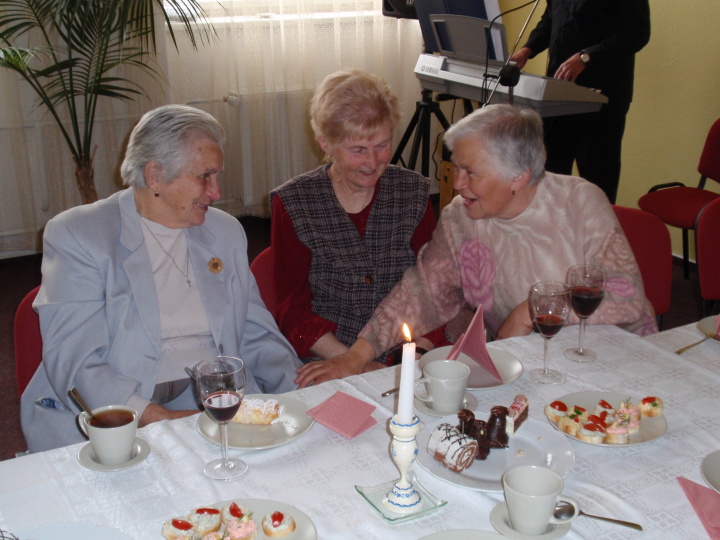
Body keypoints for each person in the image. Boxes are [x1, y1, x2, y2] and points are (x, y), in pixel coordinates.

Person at [299, 104, 657, 387]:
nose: (457, 183)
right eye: (456, 168)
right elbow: (421, 292)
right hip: (525, 364)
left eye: (471, 172)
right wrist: (357, 356)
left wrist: (532, 309)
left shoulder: (579, 203)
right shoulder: (461, 217)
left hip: (609, 359)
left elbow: (626, 300)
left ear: (518, 176)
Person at [21, 104, 302, 452]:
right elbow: (75, 358)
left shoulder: (224, 231)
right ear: (155, 175)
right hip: (113, 408)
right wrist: (160, 418)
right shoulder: (80, 233)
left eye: (217, 176)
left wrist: (302, 391)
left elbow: (255, 332)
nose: (216, 192)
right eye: (205, 177)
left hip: (209, 399)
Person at [269, 69, 444, 387]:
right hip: (328, 354)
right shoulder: (294, 202)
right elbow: (291, 308)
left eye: (382, 145)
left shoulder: (413, 192)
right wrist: (353, 361)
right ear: (326, 143)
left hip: (408, 350)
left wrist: (415, 357)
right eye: (358, 150)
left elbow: (433, 288)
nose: (373, 162)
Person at [509, 0, 651, 204]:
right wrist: (528, 49)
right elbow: (550, 21)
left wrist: (587, 56)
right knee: (550, 175)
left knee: (597, 180)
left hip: (601, 99)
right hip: (558, 96)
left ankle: (597, 225)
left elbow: (637, 34)